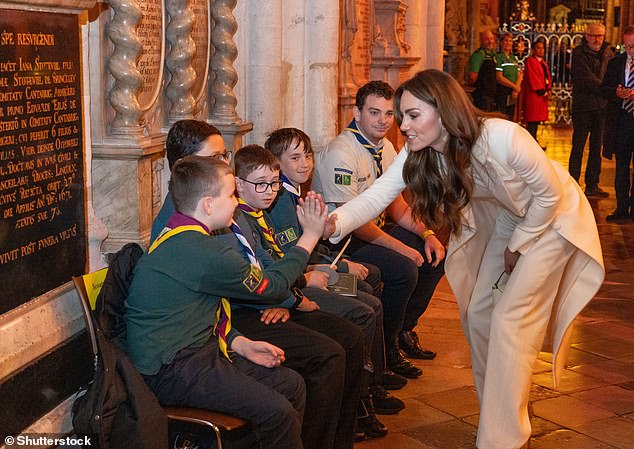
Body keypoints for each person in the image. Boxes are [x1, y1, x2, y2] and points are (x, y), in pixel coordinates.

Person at [328, 69, 605, 449]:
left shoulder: (503, 137)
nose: (403, 125)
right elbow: (378, 195)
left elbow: (550, 196)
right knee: (477, 313)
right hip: (508, 219)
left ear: (442, 110)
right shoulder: (418, 149)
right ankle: (500, 411)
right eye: (401, 115)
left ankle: (502, 439)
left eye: (411, 115)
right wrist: (333, 222)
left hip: (551, 221)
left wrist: (518, 245)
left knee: (511, 321)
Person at [152, 119, 366, 449]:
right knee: (330, 352)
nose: (227, 163)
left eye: (226, 154)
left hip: (231, 321)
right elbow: (258, 283)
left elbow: (261, 261)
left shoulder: (217, 209)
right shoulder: (193, 223)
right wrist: (288, 296)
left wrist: (284, 297)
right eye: (218, 157)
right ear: (189, 167)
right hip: (221, 329)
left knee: (351, 325)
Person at [125, 156, 324, 449]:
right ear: (207, 204)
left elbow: (195, 311)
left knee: (291, 385)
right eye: (230, 194)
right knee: (278, 413)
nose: (236, 201)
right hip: (171, 369)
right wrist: (310, 236)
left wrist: (239, 343)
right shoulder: (203, 251)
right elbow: (274, 287)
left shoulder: (182, 233)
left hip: (195, 352)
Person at [233, 144, 403, 439]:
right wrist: (308, 284)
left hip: (303, 278)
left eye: (307, 156)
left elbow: (288, 255)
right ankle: (364, 397)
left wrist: (335, 265)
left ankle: (373, 381)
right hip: (301, 283)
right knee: (361, 310)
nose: (304, 165)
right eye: (294, 158)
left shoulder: (285, 199)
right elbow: (275, 264)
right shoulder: (263, 210)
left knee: (368, 288)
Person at [312, 81, 446, 380]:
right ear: (357, 113)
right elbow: (353, 222)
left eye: (388, 113)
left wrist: (428, 236)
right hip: (344, 242)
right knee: (404, 269)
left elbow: (396, 205)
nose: (383, 121)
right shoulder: (342, 152)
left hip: (374, 230)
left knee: (435, 255)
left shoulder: (384, 146)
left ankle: (402, 331)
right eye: (374, 112)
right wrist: (403, 249)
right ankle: (385, 350)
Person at [151, 119, 231, 242]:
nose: (226, 164)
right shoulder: (176, 222)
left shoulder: (223, 198)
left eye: (225, 155)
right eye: (215, 157)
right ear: (183, 167)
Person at [569, 23, 614, 197]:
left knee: (597, 147)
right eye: (594, 35)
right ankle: (573, 183)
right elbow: (585, 78)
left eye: (600, 36)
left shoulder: (608, 52)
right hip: (583, 107)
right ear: (587, 35)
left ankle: (592, 184)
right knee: (578, 146)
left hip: (602, 107)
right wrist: (606, 89)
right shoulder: (579, 54)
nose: (598, 39)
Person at [602, 25, 634, 222]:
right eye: (629, 47)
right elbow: (604, 87)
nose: (632, 51)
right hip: (622, 121)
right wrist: (617, 92)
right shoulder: (616, 63)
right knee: (621, 166)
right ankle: (621, 208)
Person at [521, 40, 552, 147]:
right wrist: (540, 90)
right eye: (538, 48)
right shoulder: (530, 61)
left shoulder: (542, 62)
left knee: (536, 121)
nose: (541, 50)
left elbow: (546, 77)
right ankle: (531, 142)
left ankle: (534, 141)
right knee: (532, 120)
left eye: (542, 48)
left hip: (541, 96)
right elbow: (532, 76)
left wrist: (548, 89)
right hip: (534, 95)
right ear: (533, 50)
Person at [468, 29, 498, 111]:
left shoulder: (493, 55)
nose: (490, 41)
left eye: (491, 39)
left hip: (492, 96)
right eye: (487, 39)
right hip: (482, 97)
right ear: (481, 40)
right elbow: (472, 76)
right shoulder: (478, 55)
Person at [495, 33, 523, 119]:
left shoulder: (513, 58)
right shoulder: (498, 57)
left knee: (511, 116)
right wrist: (515, 87)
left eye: (510, 41)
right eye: (506, 41)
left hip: (513, 92)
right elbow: (499, 77)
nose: (508, 43)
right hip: (502, 91)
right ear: (501, 43)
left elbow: (520, 74)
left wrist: (516, 88)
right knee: (502, 116)